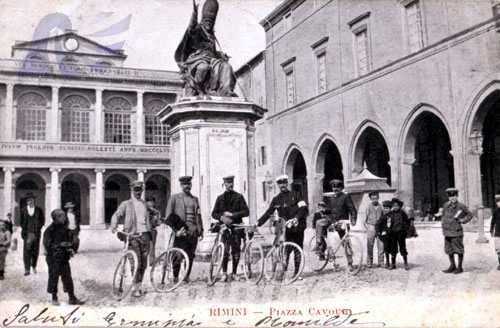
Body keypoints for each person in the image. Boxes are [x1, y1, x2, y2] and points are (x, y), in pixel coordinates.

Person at [174, 0, 236, 97]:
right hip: (197, 59)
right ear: (202, 20)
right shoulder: (197, 30)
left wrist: (221, 55)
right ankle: (196, 88)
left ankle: (226, 92)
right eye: (207, 21)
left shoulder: (211, 36)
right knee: (204, 67)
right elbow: (191, 28)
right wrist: (194, 15)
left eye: (211, 22)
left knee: (226, 67)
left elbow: (213, 51)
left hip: (212, 60)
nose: (209, 24)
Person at [257, 174, 308, 279]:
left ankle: (296, 273)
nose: (282, 185)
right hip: (285, 229)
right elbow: (268, 213)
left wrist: (296, 218)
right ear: (278, 185)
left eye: (284, 183)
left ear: (287, 183)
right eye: (280, 184)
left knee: (298, 249)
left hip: (297, 227)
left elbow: (303, 209)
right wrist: (258, 223)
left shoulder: (297, 194)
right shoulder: (276, 199)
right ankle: (283, 273)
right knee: (286, 250)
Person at [110, 181, 153, 297]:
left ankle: (139, 285)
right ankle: (135, 287)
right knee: (136, 262)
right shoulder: (126, 204)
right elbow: (117, 214)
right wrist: (114, 225)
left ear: (142, 190)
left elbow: (152, 217)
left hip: (145, 236)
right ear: (132, 190)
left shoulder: (144, 204)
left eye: (140, 190)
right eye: (136, 189)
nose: (138, 192)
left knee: (144, 264)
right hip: (132, 236)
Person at [165, 176, 204, 283]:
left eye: (189, 184)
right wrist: (176, 231)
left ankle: (186, 277)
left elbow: (199, 216)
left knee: (190, 255)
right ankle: (176, 277)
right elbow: (168, 217)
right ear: (181, 185)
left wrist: (201, 230)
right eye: (184, 184)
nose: (187, 186)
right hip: (181, 231)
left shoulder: (195, 199)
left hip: (193, 232)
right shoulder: (174, 198)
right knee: (177, 255)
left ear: (191, 185)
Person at [211, 175, 249, 282]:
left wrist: (233, 215)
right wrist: (221, 217)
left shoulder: (239, 197)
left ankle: (235, 273)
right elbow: (214, 213)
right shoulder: (220, 198)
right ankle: (224, 273)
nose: (230, 185)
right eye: (228, 183)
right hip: (224, 229)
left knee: (236, 251)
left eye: (231, 183)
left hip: (236, 228)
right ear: (224, 185)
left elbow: (246, 211)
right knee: (225, 251)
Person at [43, 209, 84, 305]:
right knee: (54, 277)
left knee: (67, 277)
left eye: (64, 216)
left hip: (64, 257)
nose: (64, 217)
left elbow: (71, 239)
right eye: (61, 216)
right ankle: (54, 298)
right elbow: (47, 244)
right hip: (53, 258)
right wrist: (60, 245)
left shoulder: (65, 229)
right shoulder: (50, 230)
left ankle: (72, 298)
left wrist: (72, 246)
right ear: (56, 218)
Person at [316, 179, 357, 270]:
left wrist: (353, 219)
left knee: (346, 243)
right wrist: (325, 211)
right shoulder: (331, 198)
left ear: (341, 188)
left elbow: (352, 209)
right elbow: (330, 210)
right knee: (319, 223)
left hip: (342, 222)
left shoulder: (346, 197)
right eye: (334, 187)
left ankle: (350, 263)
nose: (335, 189)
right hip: (332, 221)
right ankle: (319, 244)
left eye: (337, 187)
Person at [441, 187, 473, 274]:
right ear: (448, 197)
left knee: (459, 249)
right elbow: (443, 215)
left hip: (456, 231)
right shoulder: (445, 205)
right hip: (447, 231)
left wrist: (462, 220)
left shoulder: (461, 206)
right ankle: (452, 266)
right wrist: (443, 224)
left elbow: (470, 215)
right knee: (449, 250)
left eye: (454, 196)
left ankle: (459, 267)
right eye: (451, 196)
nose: (453, 198)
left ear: (457, 196)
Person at [379, 198, 411, 270]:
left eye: (397, 206)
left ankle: (405, 263)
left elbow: (407, 222)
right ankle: (393, 264)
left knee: (402, 248)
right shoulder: (391, 214)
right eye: (394, 206)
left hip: (401, 233)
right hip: (392, 234)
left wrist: (405, 229)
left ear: (399, 206)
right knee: (393, 249)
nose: (395, 207)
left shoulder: (402, 213)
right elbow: (387, 222)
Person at [20, 192, 45, 276]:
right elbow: (21, 221)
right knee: (27, 251)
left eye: (31, 200)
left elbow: (42, 220)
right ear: (26, 201)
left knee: (35, 251)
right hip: (27, 233)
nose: (29, 201)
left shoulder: (39, 210)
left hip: (36, 233)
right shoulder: (23, 210)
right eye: (28, 200)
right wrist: (24, 229)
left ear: (34, 200)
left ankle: (34, 266)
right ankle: (27, 269)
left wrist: (38, 228)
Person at [364, 191, 384, 268]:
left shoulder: (381, 206)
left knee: (381, 245)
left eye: (376, 198)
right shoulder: (368, 206)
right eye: (372, 198)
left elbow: (384, 217)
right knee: (370, 245)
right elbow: (365, 219)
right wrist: (368, 227)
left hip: (380, 227)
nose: (374, 200)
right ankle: (369, 262)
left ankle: (381, 262)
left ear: (378, 198)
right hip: (371, 226)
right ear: (370, 199)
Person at [376, 200, 393, 268]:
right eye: (385, 208)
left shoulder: (392, 216)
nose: (386, 210)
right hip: (385, 236)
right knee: (385, 249)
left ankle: (393, 262)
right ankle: (387, 262)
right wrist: (379, 232)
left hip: (391, 235)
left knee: (392, 249)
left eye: (387, 208)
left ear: (390, 209)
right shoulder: (382, 217)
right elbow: (377, 225)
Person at [146, 197, 162, 266]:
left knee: (152, 246)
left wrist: (157, 218)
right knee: (147, 246)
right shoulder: (146, 209)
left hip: (153, 230)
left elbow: (158, 222)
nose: (151, 203)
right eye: (149, 202)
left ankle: (151, 261)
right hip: (145, 230)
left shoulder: (156, 212)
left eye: (152, 202)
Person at [490, 194, 500, 271]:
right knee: (498, 249)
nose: (499, 203)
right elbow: (493, 222)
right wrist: (491, 230)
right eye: (497, 202)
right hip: (497, 233)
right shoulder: (496, 211)